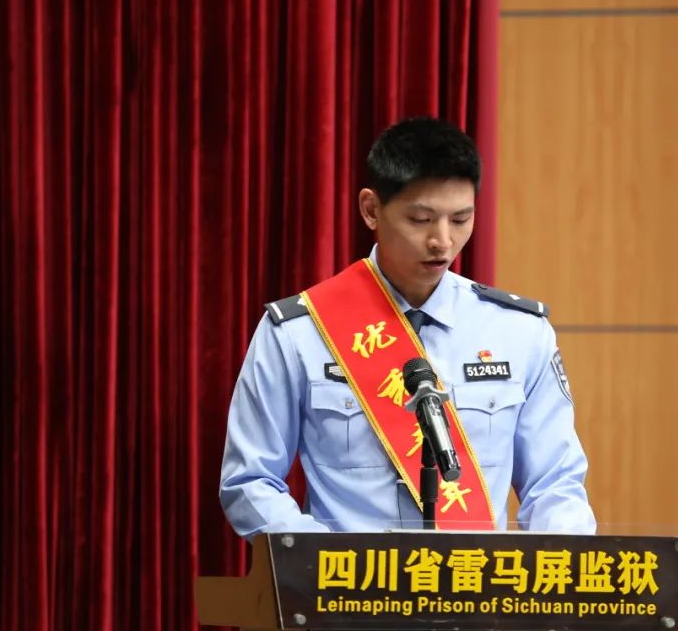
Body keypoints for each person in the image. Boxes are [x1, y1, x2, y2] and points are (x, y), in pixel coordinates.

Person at [219, 117, 596, 540]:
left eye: (460, 219)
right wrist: (319, 562)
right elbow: (250, 480)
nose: (442, 241)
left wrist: (569, 560)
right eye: (420, 219)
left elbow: (554, 483)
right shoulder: (298, 334)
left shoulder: (518, 333)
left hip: (476, 580)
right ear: (371, 209)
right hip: (347, 579)